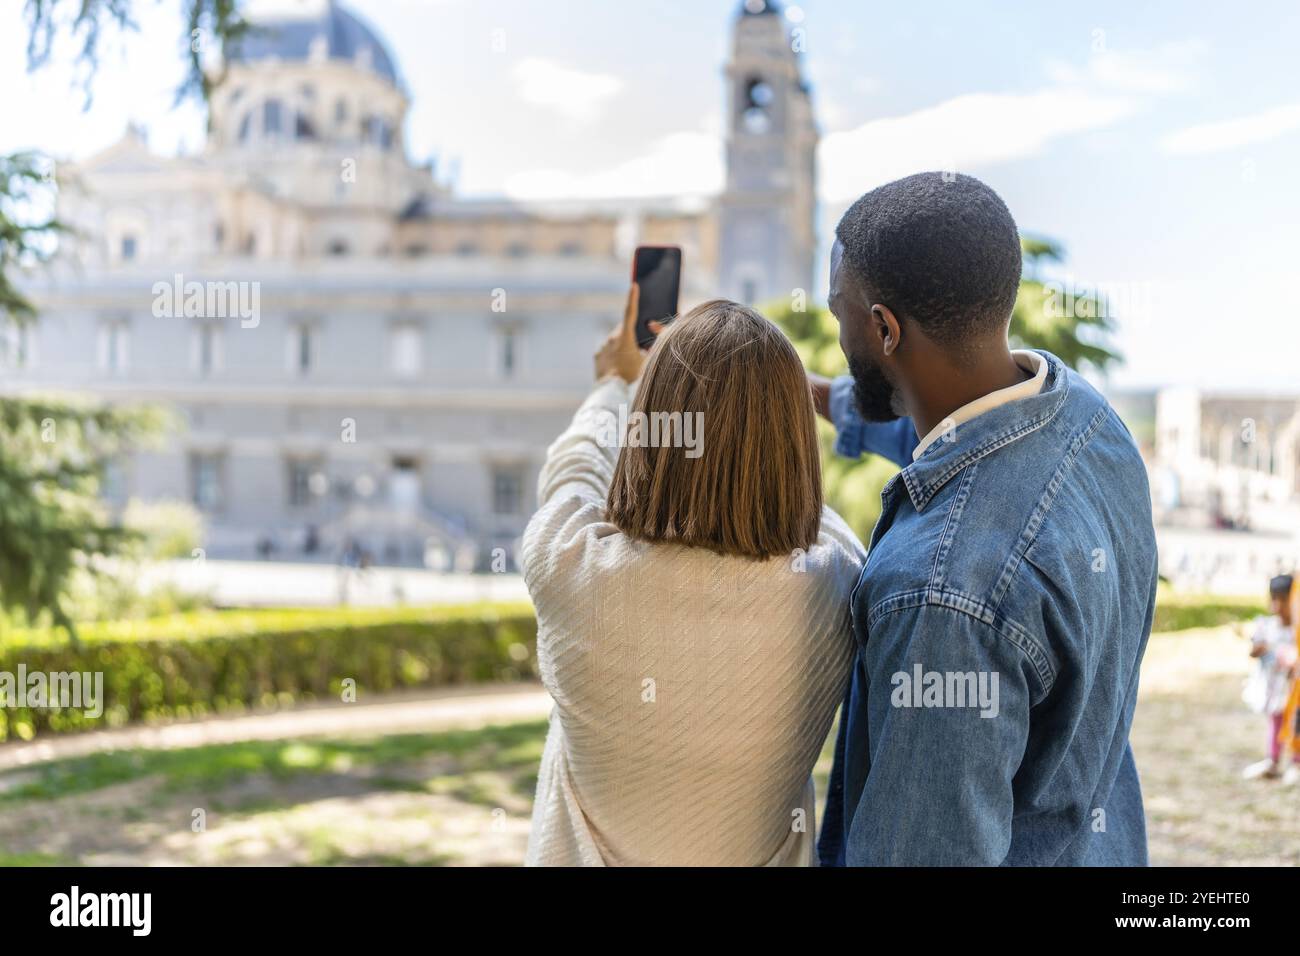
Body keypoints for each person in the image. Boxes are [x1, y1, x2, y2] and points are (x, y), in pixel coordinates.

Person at [809, 172, 1159, 866]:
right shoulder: (1086, 417)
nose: (836, 327)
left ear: (883, 328)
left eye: (838, 311)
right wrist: (808, 395)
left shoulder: (943, 598)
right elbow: (938, 430)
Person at [522, 290, 865, 866]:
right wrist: (764, 412)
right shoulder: (834, 586)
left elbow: (576, 467)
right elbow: (808, 512)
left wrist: (614, 382)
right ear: (796, 441)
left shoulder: (569, 565)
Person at [1242, 574, 1297, 780]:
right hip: (1275, 688)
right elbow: (1253, 650)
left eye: (1283, 600)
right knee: (1275, 722)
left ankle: (1295, 763)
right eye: (1274, 599)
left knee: (1294, 725)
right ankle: (1272, 760)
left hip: (1293, 689)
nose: (1278, 606)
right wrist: (1260, 648)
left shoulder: (1296, 630)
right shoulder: (1267, 626)